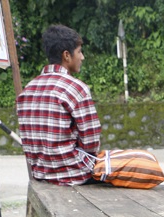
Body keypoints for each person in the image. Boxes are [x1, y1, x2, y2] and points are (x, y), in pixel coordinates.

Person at [17, 25, 101, 185]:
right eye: (79, 51)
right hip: (75, 175)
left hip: (41, 175)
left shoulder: (26, 91)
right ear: (67, 55)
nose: (82, 57)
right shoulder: (76, 89)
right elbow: (91, 143)